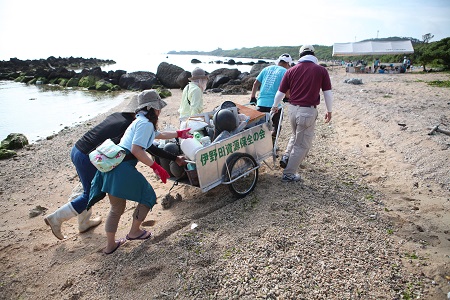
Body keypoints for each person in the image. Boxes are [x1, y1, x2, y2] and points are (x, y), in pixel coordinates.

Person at [44, 94, 187, 240]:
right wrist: (160, 165)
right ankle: (57, 218)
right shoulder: (135, 123)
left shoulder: (118, 116)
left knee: (92, 189)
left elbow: (152, 139)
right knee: (92, 192)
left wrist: (176, 146)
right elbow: (148, 148)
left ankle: (83, 222)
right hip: (89, 156)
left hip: (78, 149)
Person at [86, 89, 193, 255]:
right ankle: (134, 232)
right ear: (152, 108)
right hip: (122, 167)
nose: (160, 111)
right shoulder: (144, 124)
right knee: (148, 195)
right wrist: (156, 167)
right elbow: (137, 150)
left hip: (112, 165)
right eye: (158, 108)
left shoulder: (139, 121)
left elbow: (159, 135)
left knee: (116, 208)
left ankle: (110, 246)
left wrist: (179, 133)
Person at [271, 45, 333, 182]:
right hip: (307, 111)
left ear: (300, 55)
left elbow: (280, 93)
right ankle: (289, 174)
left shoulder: (291, 70)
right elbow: (327, 93)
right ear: (313, 54)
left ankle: (286, 157)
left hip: (292, 109)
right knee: (302, 145)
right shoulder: (321, 70)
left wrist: (274, 106)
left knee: (295, 136)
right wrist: (329, 111)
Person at [250, 53, 292, 138]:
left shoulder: (266, 69)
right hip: (275, 106)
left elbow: (255, 83)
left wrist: (253, 97)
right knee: (276, 126)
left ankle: (261, 145)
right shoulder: (285, 72)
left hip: (260, 103)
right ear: (287, 64)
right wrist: (287, 97)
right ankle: (272, 145)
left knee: (260, 127)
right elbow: (287, 88)